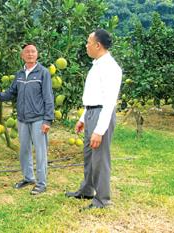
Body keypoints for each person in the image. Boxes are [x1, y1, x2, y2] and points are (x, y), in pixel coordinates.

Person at [65, 29, 122, 210]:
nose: (86, 45)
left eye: (88, 42)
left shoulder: (111, 67)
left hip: (101, 115)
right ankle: (87, 189)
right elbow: (93, 96)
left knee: (100, 157)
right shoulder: (97, 64)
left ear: (98, 45)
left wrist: (99, 130)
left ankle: (102, 200)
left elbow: (109, 101)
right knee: (89, 155)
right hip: (91, 112)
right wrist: (83, 117)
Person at [0, 43, 54, 195]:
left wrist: (47, 120)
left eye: (33, 51)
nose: (30, 54)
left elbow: (48, 97)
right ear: (22, 56)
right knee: (24, 150)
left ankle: (41, 183)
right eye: (27, 52)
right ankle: (28, 177)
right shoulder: (19, 74)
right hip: (22, 119)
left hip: (38, 119)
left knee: (40, 151)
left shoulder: (43, 73)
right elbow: (10, 94)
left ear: (37, 54)